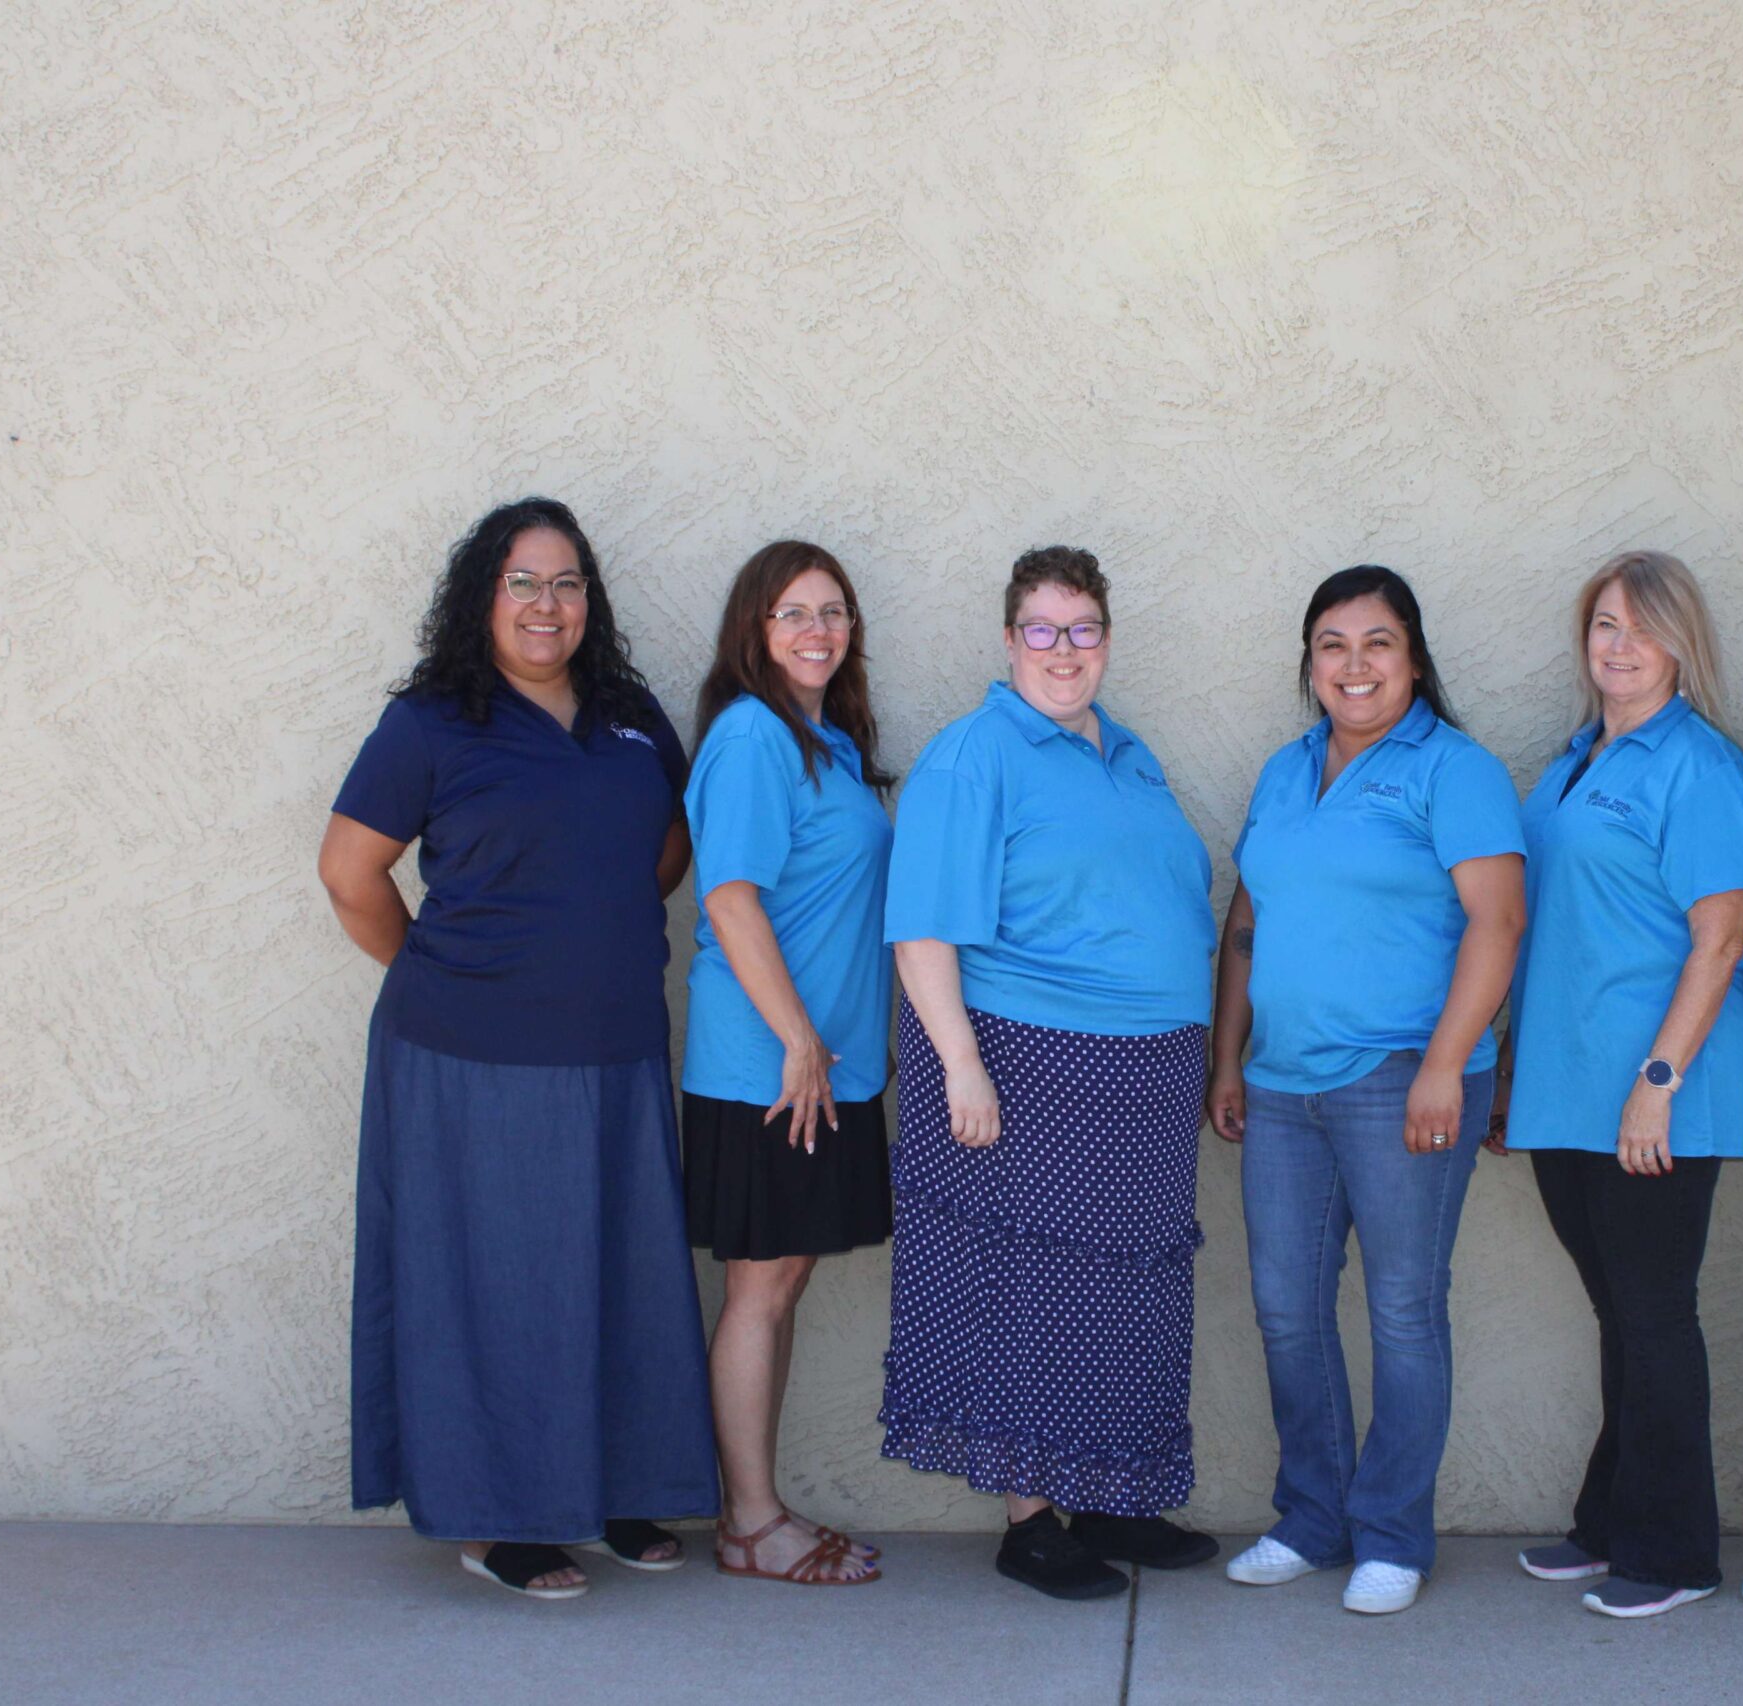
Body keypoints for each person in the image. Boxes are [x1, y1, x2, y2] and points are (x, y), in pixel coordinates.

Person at [317, 497, 717, 1599]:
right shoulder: (434, 722)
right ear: (483, 596)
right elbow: (350, 876)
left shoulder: (631, 715)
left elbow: (666, 845)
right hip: (468, 1058)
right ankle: (499, 1520)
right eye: (525, 582)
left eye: (569, 581)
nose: (549, 604)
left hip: (616, 1043)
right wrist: (444, 974)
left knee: (619, 1274)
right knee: (496, 1286)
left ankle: (615, 1489)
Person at [877, 545, 1221, 1600]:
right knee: (1027, 1289)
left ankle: (1112, 1493)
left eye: (1082, 629)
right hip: (1026, 1061)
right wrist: (962, 1065)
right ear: (1008, 639)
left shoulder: (1128, 752)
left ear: (1106, 639)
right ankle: (1031, 1520)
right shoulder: (972, 753)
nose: (1062, 650)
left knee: (1128, 1290)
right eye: (1041, 628)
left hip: (1142, 1075)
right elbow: (923, 929)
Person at [1207, 565, 1527, 1617]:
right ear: (1309, 663)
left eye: (1376, 642)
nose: (1353, 664)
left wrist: (1447, 1064)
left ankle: (1391, 1530)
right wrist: (1227, 1057)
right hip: (1282, 1082)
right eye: (1332, 643)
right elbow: (1246, 922)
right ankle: (1311, 1514)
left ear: (1415, 657)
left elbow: (1498, 922)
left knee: (1401, 1306)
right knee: (1286, 1306)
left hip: (1403, 1074)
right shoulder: (1285, 769)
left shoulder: (1455, 768)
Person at [1494, 551, 1743, 1619]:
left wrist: (1658, 1078)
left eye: (1642, 627)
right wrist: (1512, 1068)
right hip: (1566, 1085)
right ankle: (1611, 1524)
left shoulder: (1695, 765)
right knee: (1619, 1308)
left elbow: (1722, 933)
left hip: (1654, 1090)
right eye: (1604, 622)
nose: (1618, 643)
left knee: (1655, 1313)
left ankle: (1673, 1551)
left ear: (1679, 646)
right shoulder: (1572, 759)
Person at [681, 541, 894, 1587]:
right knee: (759, 1287)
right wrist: (799, 1037)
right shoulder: (753, 737)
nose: (817, 628)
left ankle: (753, 1510)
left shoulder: (828, 742)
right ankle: (752, 1521)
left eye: (833, 610)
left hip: (829, 1067)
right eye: (792, 612)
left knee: (783, 1279)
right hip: (768, 1069)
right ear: (753, 632)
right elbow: (727, 895)